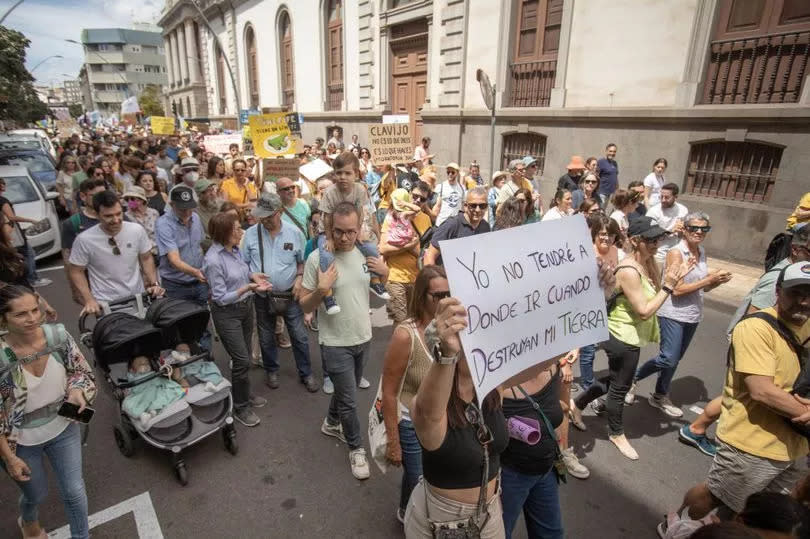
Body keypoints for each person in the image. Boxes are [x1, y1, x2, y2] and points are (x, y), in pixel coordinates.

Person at [402, 266, 614, 538]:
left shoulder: (492, 387)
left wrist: (595, 298)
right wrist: (447, 353)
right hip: (443, 523)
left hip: (490, 514)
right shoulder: (428, 402)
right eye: (467, 340)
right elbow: (429, 415)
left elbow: (545, 358)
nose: (484, 348)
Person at [666, 262, 810, 527]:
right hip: (752, 444)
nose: (803, 301)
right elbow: (762, 391)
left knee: (762, 509)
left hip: (795, 445)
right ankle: (678, 522)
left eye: (809, 294)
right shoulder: (755, 328)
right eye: (796, 293)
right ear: (778, 292)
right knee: (716, 495)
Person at [679, 225, 810, 458]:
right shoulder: (777, 281)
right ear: (797, 249)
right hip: (756, 351)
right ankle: (698, 429)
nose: (804, 301)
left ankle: (696, 428)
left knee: (736, 395)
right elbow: (755, 318)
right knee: (742, 394)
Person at [570, 217, 691, 460]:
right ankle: (616, 433)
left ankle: (578, 404)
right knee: (620, 387)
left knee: (616, 378)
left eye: (658, 239)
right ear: (636, 241)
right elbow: (644, 310)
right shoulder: (629, 270)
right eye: (651, 240)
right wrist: (668, 287)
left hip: (629, 334)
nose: (657, 244)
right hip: (621, 335)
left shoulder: (647, 263)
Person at [300, 202, 390, 480]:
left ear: (359, 227)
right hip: (334, 342)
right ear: (329, 227)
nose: (344, 238)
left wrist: (385, 274)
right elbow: (304, 304)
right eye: (338, 231)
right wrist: (321, 290)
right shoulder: (318, 259)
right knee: (350, 400)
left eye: (351, 231)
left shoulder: (366, 255)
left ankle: (331, 421)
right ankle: (356, 448)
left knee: (344, 390)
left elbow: (376, 291)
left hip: (363, 337)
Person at [0, 286, 96, 539]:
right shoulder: (1, 356)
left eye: (35, 310)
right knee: (36, 494)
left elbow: (81, 372)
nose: (32, 318)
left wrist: (77, 391)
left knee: (74, 491)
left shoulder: (57, 337)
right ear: (3, 319)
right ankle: (28, 519)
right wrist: (9, 459)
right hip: (18, 440)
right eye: (21, 314)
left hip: (63, 425)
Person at [625, 212, 732, 417]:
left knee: (675, 359)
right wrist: (708, 281)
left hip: (692, 314)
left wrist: (716, 282)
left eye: (704, 229)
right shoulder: (676, 252)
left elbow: (701, 289)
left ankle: (659, 395)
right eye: (694, 228)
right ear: (684, 229)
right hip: (672, 313)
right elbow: (676, 289)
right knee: (668, 358)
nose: (699, 232)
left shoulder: (701, 251)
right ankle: (633, 379)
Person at [381, 266, 446, 523]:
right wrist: (393, 442)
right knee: (418, 479)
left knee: (434, 477)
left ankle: (411, 509)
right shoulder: (405, 335)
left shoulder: (451, 328)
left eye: (448, 294)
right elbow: (389, 392)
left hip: (441, 419)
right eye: (437, 296)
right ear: (421, 296)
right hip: (410, 423)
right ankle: (408, 516)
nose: (444, 300)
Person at [243, 193, 318, 393]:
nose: (265, 220)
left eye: (269, 216)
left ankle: (306, 372)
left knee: (299, 336)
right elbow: (243, 264)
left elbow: (302, 262)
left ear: (280, 212)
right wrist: (251, 276)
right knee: (266, 336)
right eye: (262, 216)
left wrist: (300, 278)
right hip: (262, 296)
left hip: (290, 295)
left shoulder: (295, 233)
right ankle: (271, 370)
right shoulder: (250, 234)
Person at [203, 212, 270, 427]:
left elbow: (243, 270)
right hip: (227, 313)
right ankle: (241, 407)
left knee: (245, 357)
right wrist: (246, 288)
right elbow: (220, 298)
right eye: (236, 229)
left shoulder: (235, 249)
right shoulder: (213, 260)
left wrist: (253, 276)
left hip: (245, 307)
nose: (241, 231)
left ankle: (245, 392)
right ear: (224, 233)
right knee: (241, 359)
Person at [68, 190, 164, 315]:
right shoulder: (84, 240)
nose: (116, 220)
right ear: (97, 214)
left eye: (119, 214)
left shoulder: (136, 230)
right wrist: (89, 300)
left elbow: (146, 258)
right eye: (108, 216)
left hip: (139, 299)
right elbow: (76, 271)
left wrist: (154, 283)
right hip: (107, 305)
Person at [317, 151, 387, 314]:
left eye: (347, 173)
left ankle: (375, 281)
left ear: (356, 174)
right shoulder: (330, 192)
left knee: (370, 250)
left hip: (350, 230)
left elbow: (360, 212)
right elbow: (327, 217)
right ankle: (328, 296)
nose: (342, 177)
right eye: (339, 173)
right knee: (326, 256)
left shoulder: (360, 190)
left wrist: (358, 232)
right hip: (327, 230)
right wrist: (328, 238)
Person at [155, 185, 211, 351]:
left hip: (199, 283)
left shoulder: (195, 218)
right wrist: (196, 272)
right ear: (172, 205)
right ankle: (186, 362)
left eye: (189, 208)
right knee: (180, 326)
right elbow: (173, 259)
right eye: (182, 209)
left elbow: (201, 245)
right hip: (176, 284)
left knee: (202, 323)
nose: (187, 213)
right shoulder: (163, 224)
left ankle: (205, 358)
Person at [575, 215, 621, 394]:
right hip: (588, 306)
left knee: (608, 347)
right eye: (602, 233)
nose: (606, 238)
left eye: (610, 234)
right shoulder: (586, 252)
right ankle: (587, 386)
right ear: (594, 235)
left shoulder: (615, 251)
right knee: (588, 351)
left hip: (609, 305)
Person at [379, 190, 430, 325]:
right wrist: (408, 246)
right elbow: (383, 249)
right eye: (415, 196)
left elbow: (422, 253)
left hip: (416, 280)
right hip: (395, 278)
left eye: (422, 198)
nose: (418, 200)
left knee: (414, 323)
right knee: (401, 323)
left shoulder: (422, 218)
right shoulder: (390, 218)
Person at [0, 179, 50, 288]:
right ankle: (32, 279)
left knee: (18, 255)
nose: (4, 185)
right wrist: (30, 220)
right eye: (1, 183)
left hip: (4, 234)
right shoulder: (2, 200)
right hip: (13, 233)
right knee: (28, 254)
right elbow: (11, 217)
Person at [424, 188, 490, 266]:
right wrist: (436, 277)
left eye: (482, 206)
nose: (478, 210)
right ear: (465, 206)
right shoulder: (451, 225)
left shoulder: (485, 227)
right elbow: (429, 256)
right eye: (473, 205)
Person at [646, 183, 690, 263]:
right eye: (661, 197)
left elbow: (683, 235)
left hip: (677, 253)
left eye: (666, 197)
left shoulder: (683, 210)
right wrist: (670, 231)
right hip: (658, 254)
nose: (663, 200)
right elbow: (648, 235)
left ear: (675, 197)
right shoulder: (653, 211)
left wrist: (682, 231)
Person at [433, 163, 466, 227]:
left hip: (455, 224)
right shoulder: (440, 187)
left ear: (457, 173)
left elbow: (463, 206)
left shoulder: (462, 188)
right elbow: (436, 206)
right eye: (448, 172)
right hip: (441, 223)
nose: (450, 174)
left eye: (453, 172)